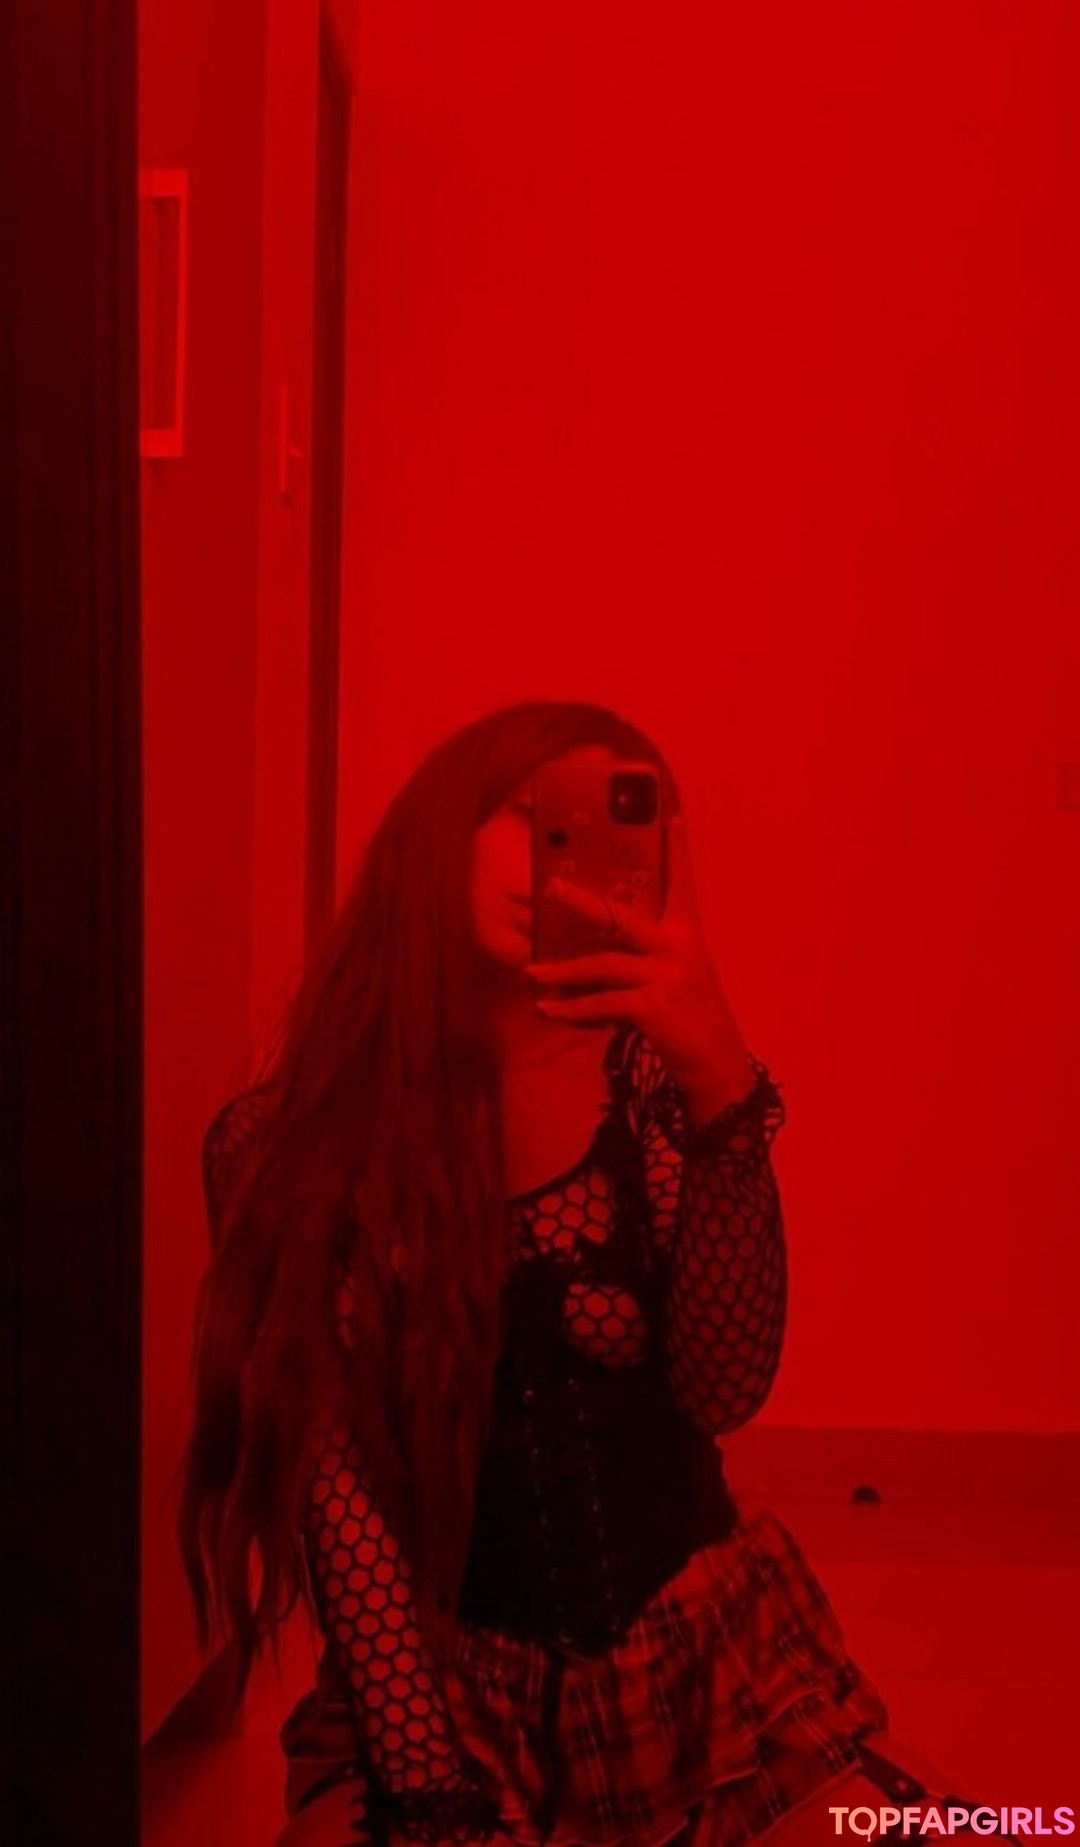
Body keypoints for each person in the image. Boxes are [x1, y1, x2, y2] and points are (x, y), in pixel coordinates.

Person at [179, 699, 890, 1847]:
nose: (557, 860)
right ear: (441, 832)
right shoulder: (278, 1145)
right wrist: (425, 1787)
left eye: (612, 830)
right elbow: (336, 1492)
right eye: (530, 815)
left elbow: (724, 1389)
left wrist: (721, 1087)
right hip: (434, 1682)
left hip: (707, 1666)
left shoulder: (655, 1095)